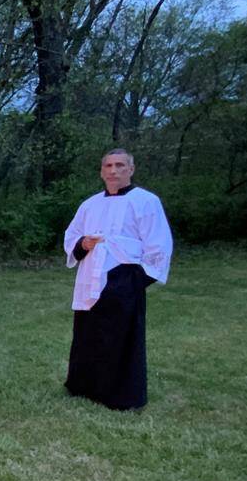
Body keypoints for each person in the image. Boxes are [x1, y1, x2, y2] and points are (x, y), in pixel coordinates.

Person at [63, 149, 173, 410]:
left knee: (121, 336)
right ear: (101, 171)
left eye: (120, 165)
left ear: (131, 170)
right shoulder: (90, 204)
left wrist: (137, 279)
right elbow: (72, 235)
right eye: (108, 166)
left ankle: (121, 395)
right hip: (91, 275)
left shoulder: (146, 201)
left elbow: (159, 244)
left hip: (125, 276)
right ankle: (84, 386)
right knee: (88, 333)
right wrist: (82, 243)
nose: (114, 171)